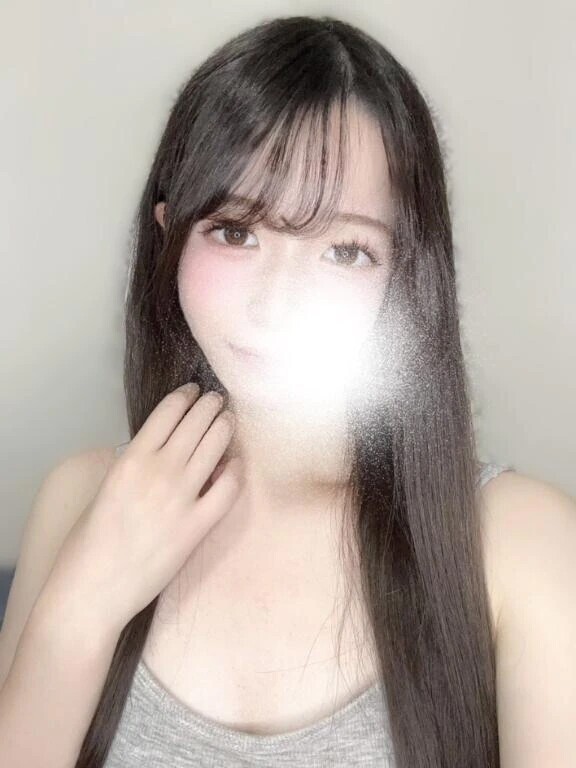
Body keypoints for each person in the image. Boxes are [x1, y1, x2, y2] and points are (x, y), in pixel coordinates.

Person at [1, 14, 575, 768]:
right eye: (237, 232)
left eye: (345, 250)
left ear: (404, 276)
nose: (277, 305)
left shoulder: (519, 542)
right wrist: (80, 609)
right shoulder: (80, 501)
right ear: (170, 235)